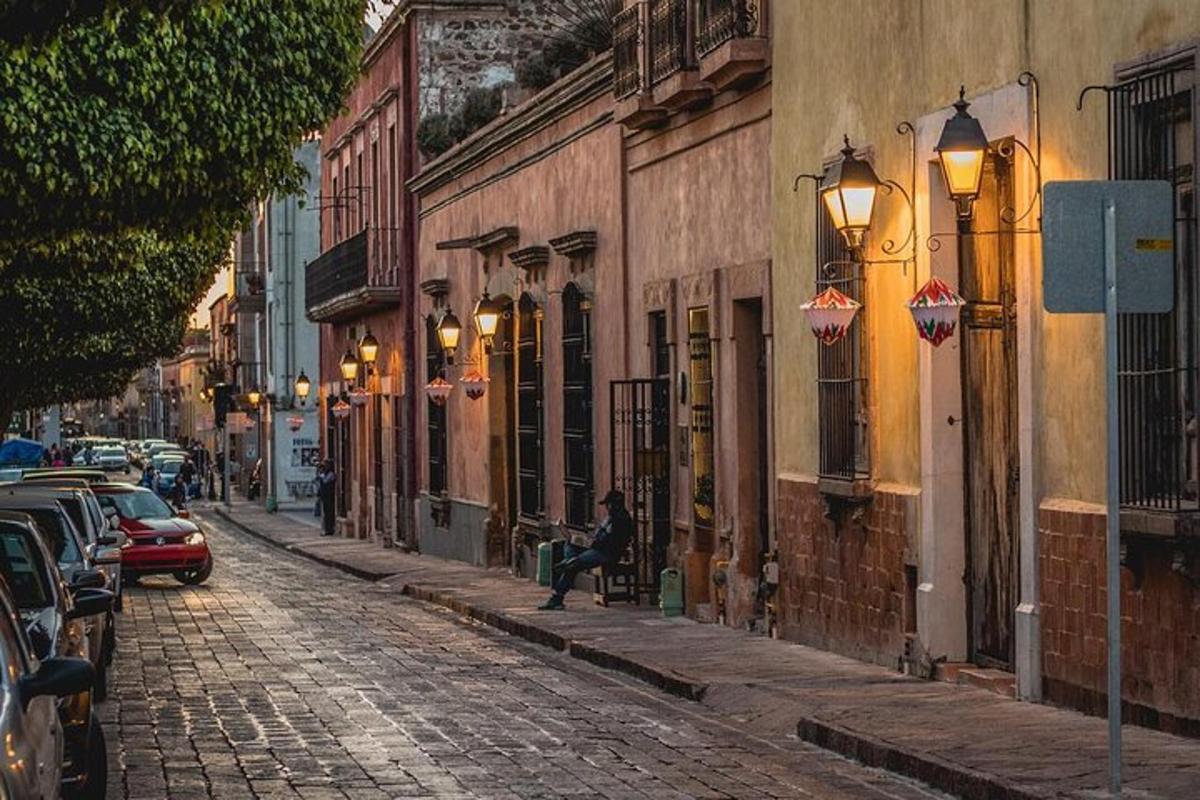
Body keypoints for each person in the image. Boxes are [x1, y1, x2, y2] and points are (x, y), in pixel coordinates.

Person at [539, 490, 634, 611]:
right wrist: (587, 541)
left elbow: (612, 543)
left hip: (606, 553)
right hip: (596, 548)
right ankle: (568, 562)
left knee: (573, 566)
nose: (606, 507)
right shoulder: (610, 518)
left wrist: (594, 543)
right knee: (570, 545)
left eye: (608, 504)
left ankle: (558, 594)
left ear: (615, 504)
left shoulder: (621, 520)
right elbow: (599, 535)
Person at [317, 459, 336, 536]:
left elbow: (325, 481)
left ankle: (329, 529)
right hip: (324, 496)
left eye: (326, 466)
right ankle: (326, 529)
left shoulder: (331, 474)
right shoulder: (324, 474)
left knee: (329, 513)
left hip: (329, 497)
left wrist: (321, 476)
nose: (325, 467)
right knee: (324, 514)